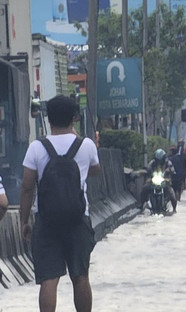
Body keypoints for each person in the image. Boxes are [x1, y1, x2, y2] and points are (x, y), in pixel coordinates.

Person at [19, 94, 101, 312]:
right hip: (78, 219)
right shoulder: (86, 146)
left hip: (46, 221)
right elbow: (95, 171)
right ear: (74, 118)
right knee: (81, 276)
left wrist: (24, 221)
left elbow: (27, 187)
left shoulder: (36, 148)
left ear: (48, 118)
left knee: (48, 280)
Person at [140, 148, 177, 213]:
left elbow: (172, 169)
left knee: (172, 195)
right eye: (158, 160)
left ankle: (174, 209)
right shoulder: (152, 163)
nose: (159, 161)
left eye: (161, 160)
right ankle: (141, 205)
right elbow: (148, 169)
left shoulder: (168, 162)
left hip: (165, 181)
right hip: (153, 181)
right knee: (144, 189)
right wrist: (147, 172)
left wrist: (170, 170)